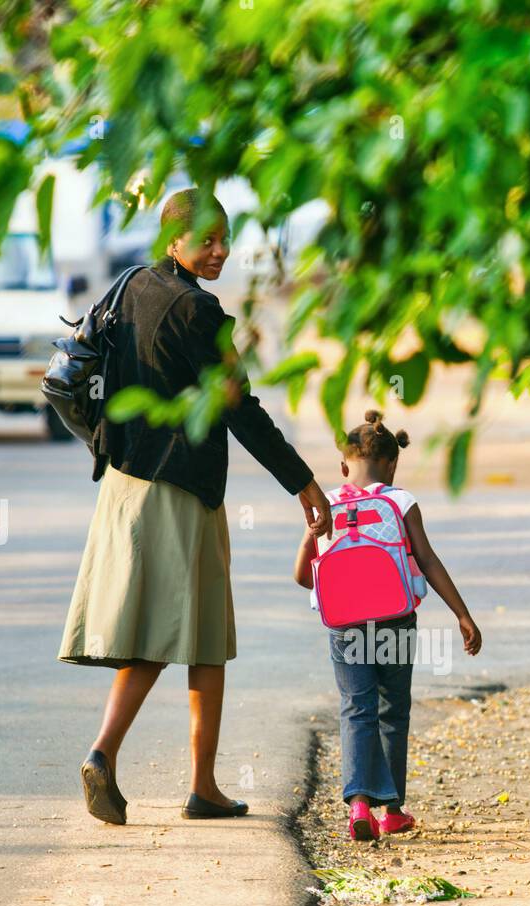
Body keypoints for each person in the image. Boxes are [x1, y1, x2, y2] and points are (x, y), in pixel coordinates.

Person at [59, 187, 332, 824]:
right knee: (190, 636)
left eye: (224, 238)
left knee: (181, 636)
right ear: (174, 242)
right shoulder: (199, 314)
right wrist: (304, 484)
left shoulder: (130, 288)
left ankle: (168, 772)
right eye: (205, 240)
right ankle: (138, 765)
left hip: (126, 487)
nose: (219, 251)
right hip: (180, 492)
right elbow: (241, 411)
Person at [293, 411, 482, 840]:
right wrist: (462, 614)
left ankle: (358, 803)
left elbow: (304, 578)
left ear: (344, 467)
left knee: (356, 709)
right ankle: (391, 810)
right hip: (395, 621)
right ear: (393, 465)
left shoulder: (326, 504)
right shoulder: (401, 502)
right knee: (392, 712)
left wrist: (311, 534)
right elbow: (428, 560)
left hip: (345, 627)